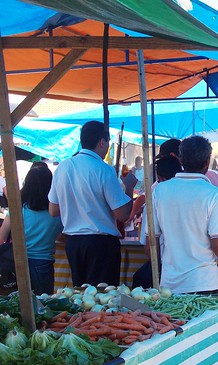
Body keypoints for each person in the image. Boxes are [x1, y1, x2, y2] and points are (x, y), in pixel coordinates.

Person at [48, 120, 132, 287]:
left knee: (82, 296)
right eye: (108, 142)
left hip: (73, 242)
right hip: (100, 243)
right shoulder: (103, 169)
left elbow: (53, 209)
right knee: (103, 298)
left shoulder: (63, 167)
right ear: (102, 142)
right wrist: (128, 187)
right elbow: (123, 214)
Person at [150, 136, 218, 294]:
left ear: (181, 160)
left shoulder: (160, 191)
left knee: (173, 319)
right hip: (203, 281)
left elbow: (151, 240)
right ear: (207, 161)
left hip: (170, 283)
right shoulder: (214, 194)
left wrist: (162, 268)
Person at [0, 167, 63, 295]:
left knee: (16, 306)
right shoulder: (57, 213)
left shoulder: (18, 209)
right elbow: (61, 237)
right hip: (43, 263)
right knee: (43, 307)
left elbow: (2, 236)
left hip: (16, 262)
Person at [132, 155, 182, 288]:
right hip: (195, 273)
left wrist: (159, 268)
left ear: (160, 178)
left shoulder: (155, 197)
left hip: (166, 270)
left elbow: (149, 245)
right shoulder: (197, 195)